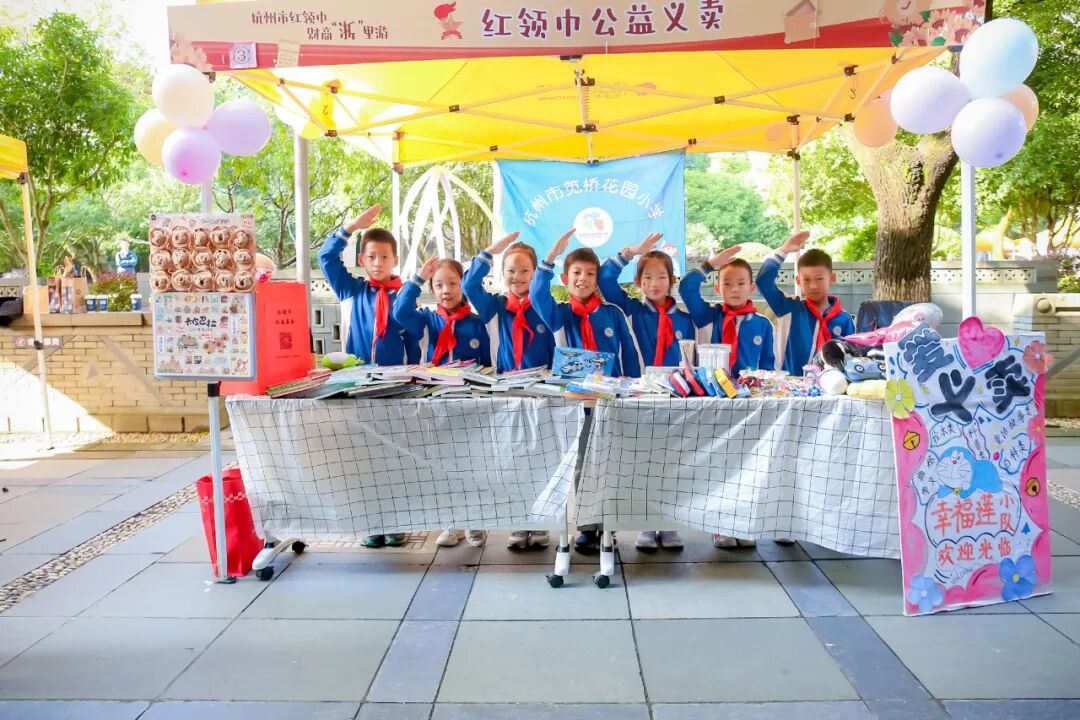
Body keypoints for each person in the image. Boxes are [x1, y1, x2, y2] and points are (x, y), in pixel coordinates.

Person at [530, 229, 642, 553]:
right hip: (576, 405)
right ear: (565, 279)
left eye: (590, 274)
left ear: (597, 280)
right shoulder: (560, 316)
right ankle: (586, 525)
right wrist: (549, 258)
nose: (583, 279)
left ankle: (607, 524)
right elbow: (537, 294)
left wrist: (634, 388)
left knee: (610, 462)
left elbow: (630, 354)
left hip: (610, 403)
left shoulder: (613, 313)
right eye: (576, 273)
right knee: (580, 464)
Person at [318, 204, 418, 549]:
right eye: (371, 257)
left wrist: (414, 377)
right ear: (362, 259)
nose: (378, 263)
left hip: (395, 385)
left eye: (384, 257)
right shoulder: (351, 291)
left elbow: (413, 342)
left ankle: (396, 521)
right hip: (357, 383)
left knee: (395, 454)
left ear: (395, 260)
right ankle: (369, 522)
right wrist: (349, 228)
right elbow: (326, 258)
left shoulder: (404, 297)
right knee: (361, 455)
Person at [598, 232, 694, 552]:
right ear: (638, 282)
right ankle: (644, 522)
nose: (655, 283)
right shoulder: (631, 311)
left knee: (671, 459)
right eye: (648, 277)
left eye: (662, 277)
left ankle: (668, 522)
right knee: (641, 460)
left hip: (675, 397)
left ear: (672, 281)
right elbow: (606, 279)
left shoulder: (685, 319)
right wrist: (629, 253)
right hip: (639, 396)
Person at [462, 231, 556, 550]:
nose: (517, 276)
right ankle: (518, 521)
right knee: (512, 459)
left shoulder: (544, 306)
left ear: (535, 272)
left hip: (542, 394)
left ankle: (541, 522)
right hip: (506, 393)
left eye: (525, 270)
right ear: (502, 273)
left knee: (542, 459)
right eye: (511, 270)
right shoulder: (496, 307)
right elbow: (469, 286)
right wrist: (489, 253)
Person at [680, 244, 776, 549]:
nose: (734, 289)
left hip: (748, 403)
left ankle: (745, 523)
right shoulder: (707, 317)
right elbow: (686, 287)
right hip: (713, 402)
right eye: (728, 283)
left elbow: (768, 366)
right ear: (718, 288)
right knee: (718, 463)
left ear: (751, 287)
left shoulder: (763, 324)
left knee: (749, 463)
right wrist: (710, 265)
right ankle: (720, 524)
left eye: (741, 283)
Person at [394, 255, 491, 549]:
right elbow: (400, 311)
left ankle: (475, 521)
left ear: (462, 285)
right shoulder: (426, 321)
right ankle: (452, 523)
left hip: (469, 405)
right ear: (432, 289)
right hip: (435, 403)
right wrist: (417, 278)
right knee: (443, 464)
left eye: (452, 283)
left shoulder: (478, 324)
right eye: (438, 285)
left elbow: (488, 364)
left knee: (473, 462)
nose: (446, 290)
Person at [756, 230, 854, 377]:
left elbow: (852, 359)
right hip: (792, 385)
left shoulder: (844, 319)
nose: (813, 286)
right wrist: (784, 250)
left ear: (832, 278)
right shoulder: (789, 308)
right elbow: (763, 282)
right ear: (798, 281)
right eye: (806, 280)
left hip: (833, 386)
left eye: (819, 279)